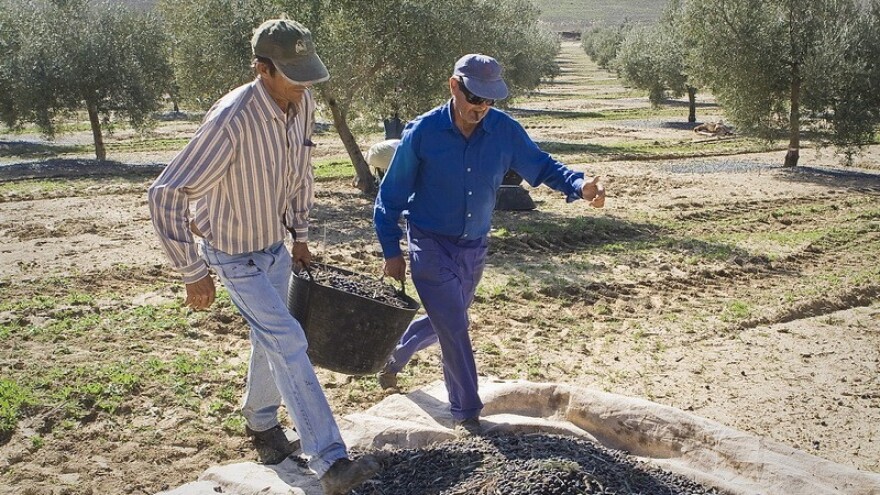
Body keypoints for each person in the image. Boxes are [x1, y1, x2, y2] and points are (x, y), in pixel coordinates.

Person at [148, 18, 379, 495]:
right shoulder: (232, 120)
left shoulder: (301, 101)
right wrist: (192, 270)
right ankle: (331, 460)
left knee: (270, 338)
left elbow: (300, 173)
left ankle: (261, 424)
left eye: (307, 75)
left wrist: (300, 235)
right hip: (231, 255)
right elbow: (165, 193)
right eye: (293, 76)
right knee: (289, 339)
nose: (303, 86)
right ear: (263, 69)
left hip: (274, 246)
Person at [373, 53, 606, 436]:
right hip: (429, 243)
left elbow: (542, 166)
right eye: (474, 97)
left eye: (489, 100)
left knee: (450, 319)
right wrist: (391, 250)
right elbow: (390, 196)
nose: (481, 107)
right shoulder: (423, 133)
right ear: (454, 86)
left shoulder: (504, 131)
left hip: (474, 247)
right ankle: (466, 413)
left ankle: (392, 356)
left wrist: (579, 186)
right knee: (454, 323)